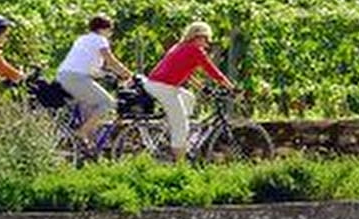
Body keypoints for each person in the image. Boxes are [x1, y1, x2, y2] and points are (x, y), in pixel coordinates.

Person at [142, 21, 236, 162]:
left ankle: (171, 132)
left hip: (157, 84)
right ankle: (180, 164)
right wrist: (232, 88)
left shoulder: (180, 47)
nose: (207, 43)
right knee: (181, 127)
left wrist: (202, 88)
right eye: (206, 39)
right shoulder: (195, 50)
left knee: (189, 98)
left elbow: (186, 73)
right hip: (164, 87)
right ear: (198, 37)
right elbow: (213, 71)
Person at [56, 14, 135, 147]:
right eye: (110, 30)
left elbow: (85, 64)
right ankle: (81, 133)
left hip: (64, 75)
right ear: (103, 29)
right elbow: (111, 61)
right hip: (76, 78)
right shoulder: (100, 40)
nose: (111, 33)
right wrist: (129, 74)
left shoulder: (82, 39)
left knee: (91, 109)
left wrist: (105, 74)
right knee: (108, 103)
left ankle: (87, 146)